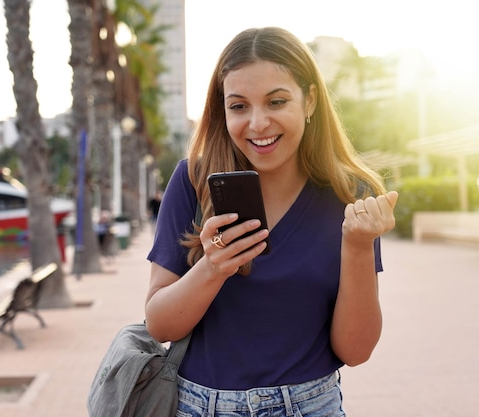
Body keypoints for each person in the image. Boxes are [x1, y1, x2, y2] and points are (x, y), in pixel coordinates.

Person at [145, 27, 398, 417]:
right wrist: (212, 268)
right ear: (222, 110)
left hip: (311, 406)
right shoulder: (193, 181)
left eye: (276, 101)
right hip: (199, 407)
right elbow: (160, 326)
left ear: (309, 100)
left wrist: (359, 245)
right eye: (239, 106)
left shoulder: (350, 194)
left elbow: (356, 350)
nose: (258, 123)